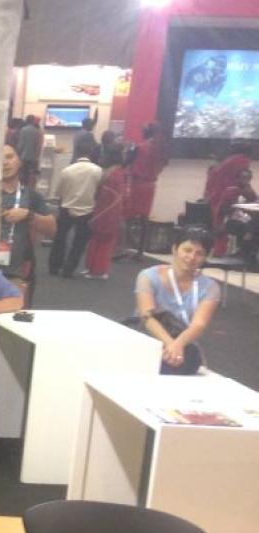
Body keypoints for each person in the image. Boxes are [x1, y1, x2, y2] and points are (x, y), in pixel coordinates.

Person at [134, 228, 220, 375]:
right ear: (175, 249)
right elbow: (146, 316)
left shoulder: (210, 287)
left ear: (206, 257)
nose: (192, 257)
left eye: (199, 253)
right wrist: (170, 344)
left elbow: (198, 325)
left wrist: (177, 345)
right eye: (187, 250)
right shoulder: (147, 276)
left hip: (182, 342)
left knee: (182, 363)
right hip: (147, 336)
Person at [0, 144, 55, 304]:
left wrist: (28, 215)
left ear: (19, 161)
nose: (4, 163)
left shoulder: (31, 196)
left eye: (9, 157)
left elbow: (52, 230)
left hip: (17, 272)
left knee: (14, 320)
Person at [50, 144, 103, 277]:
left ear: (77, 154)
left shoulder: (67, 170)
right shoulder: (98, 171)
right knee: (79, 242)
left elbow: (59, 192)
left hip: (66, 208)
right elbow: (99, 191)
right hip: (88, 210)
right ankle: (69, 269)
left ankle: (54, 266)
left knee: (60, 238)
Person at [82, 147, 128, 280]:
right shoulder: (116, 172)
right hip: (107, 211)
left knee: (102, 242)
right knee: (100, 241)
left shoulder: (113, 174)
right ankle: (94, 269)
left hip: (106, 212)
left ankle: (98, 270)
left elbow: (109, 196)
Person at [126, 122, 169, 254]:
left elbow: (128, 163)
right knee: (145, 217)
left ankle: (126, 245)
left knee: (129, 215)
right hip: (150, 185)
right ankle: (140, 250)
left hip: (137, 184)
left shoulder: (139, 147)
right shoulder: (159, 149)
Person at [17, 115, 42, 187]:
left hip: (24, 156)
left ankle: (21, 188)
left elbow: (21, 143)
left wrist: (17, 153)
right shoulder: (37, 131)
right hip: (33, 157)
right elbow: (38, 145)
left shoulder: (23, 130)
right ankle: (28, 189)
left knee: (22, 175)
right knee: (30, 176)